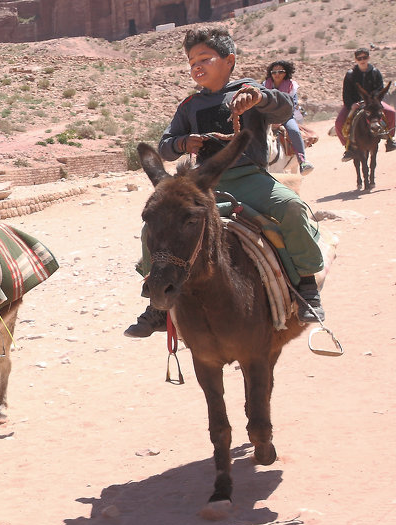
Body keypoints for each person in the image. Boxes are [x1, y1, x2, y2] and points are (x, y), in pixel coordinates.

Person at [124, 27, 326, 338]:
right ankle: (157, 303)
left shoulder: (250, 90)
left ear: (229, 60)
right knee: (152, 226)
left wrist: (259, 96)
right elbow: (164, 144)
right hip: (204, 186)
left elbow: (284, 107)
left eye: (205, 58)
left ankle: (306, 286)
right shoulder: (189, 106)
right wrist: (183, 143)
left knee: (293, 208)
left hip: (251, 178)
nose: (197, 67)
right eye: (192, 62)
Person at [335, 47, 396, 159]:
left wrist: (373, 100)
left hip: (373, 103)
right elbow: (346, 94)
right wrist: (351, 105)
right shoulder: (350, 75)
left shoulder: (375, 72)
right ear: (356, 60)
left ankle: (390, 140)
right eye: (359, 58)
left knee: (392, 113)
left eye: (365, 57)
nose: (362, 60)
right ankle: (348, 148)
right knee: (338, 123)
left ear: (369, 58)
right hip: (354, 104)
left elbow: (380, 88)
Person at [263, 60, 313, 175]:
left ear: (286, 73)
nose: (277, 74)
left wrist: (279, 120)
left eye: (280, 71)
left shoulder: (291, 86)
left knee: (294, 131)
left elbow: (293, 104)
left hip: (285, 116)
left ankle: (302, 161)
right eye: (274, 72)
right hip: (268, 116)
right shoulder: (265, 85)